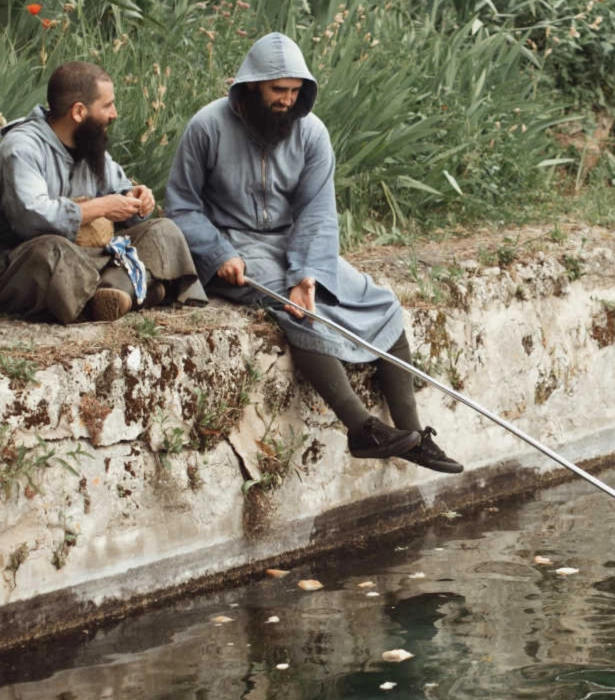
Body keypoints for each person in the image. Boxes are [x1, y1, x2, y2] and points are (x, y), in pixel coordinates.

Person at [166, 32, 461, 473]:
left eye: (294, 91)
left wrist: (307, 274)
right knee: (298, 311)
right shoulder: (206, 126)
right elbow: (182, 206)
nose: (287, 100)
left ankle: (413, 435)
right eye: (277, 90)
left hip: (295, 241)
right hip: (233, 245)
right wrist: (217, 251)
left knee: (379, 302)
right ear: (251, 85)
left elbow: (317, 212)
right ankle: (361, 428)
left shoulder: (312, 132)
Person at [0, 61, 205, 322]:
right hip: (19, 260)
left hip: (90, 257)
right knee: (53, 251)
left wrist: (136, 199)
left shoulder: (88, 143)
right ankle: (136, 289)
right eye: (107, 105)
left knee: (162, 230)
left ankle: (112, 294)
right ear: (79, 111)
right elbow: (31, 218)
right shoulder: (22, 148)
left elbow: (120, 192)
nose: (114, 114)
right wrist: (101, 207)